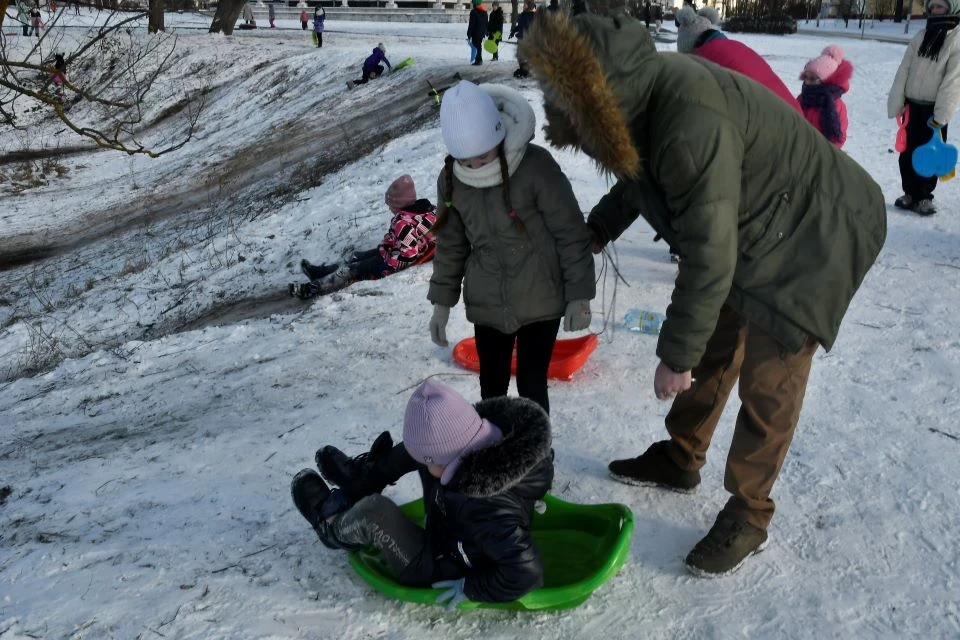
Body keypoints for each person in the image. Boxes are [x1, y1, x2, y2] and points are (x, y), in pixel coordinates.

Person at [520, 11, 886, 576]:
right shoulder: (645, 99)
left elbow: (709, 252)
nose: (564, 112)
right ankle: (681, 456)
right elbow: (641, 174)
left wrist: (674, 357)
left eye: (568, 101)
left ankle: (749, 512)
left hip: (818, 232)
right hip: (763, 218)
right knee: (719, 338)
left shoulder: (688, 119)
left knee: (770, 376)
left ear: (598, 90)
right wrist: (599, 228)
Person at [292, 379, 554, 609]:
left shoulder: (485, 510)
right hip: (451, 521)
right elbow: (431, 452)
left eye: (433, 463)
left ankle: (332, 529)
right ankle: (362, 479)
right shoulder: (485, 442)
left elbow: (526, 573)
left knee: (375, 511)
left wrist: (471, 588)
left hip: (436, 563)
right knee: (425, 443)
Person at [427, 81, 596, 414]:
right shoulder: (450, 179)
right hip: (488, 300)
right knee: (492, 385)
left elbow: (570, 232)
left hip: (541, 296)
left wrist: (579, 294)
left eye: (483, 157)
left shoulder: (534, 166)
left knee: (532, 384)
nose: (475, 167)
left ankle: (538, 459)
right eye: (466, 161)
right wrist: (441, 303)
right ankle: (496, 453)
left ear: (498, 137)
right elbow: (450, 245)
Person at [290, 175, 437, 300]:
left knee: (352, 269)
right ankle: (320, 273)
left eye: (390, 205)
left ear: (398, 204)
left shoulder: (402, 222)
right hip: (395, 250)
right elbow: (410, 237)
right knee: (355, 257)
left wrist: (387, 260)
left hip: (393, 262)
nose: (389, 209)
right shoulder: (426, 211)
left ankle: (313, 288)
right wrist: (387, 245)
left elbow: (409, 255)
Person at [888, 0, 960, 216]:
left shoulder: (955, 39)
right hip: (912, 106)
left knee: (929, 154)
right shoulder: (921, 36)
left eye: (941, 6)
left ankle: (924, 197)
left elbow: (953, 81)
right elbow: (904, 70)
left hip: (933, 111)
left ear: (952, 9)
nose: (935, 10)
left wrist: (942, 114)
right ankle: (909, 192)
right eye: (933, 6)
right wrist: (897, 101)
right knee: (907, 151)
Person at [676, 6, 801, 113]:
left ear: (691, 46)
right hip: (795, 116)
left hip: (778, 126)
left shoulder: (706, 60)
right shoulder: (732, 47)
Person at [798, 45, 852, 149]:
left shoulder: (836, 105)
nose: (808, 82)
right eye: (806, 77)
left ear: (826, 81)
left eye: (813, 79)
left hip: (821, 154)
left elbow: (838, 138)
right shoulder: (802, 98)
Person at [510, 0, 537, 78]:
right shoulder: (522, 14)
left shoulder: (533, 15)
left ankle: (525, 71)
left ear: (528, 5)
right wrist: (513, 31)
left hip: (528, 39)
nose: (523, 5)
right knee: (519, 55)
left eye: (525, 4)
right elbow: (520, 26)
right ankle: (523, 69)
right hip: (521, 37)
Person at [467, 0, 489, 66]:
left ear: (475, 4)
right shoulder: (485, 11)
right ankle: (479, 59)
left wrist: (469, 33)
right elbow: (486, 23)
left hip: (475, 32)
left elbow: (472, 24)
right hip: (482, 32)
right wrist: (486, 31)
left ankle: (478, 60)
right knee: (479, 46)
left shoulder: (473, 12)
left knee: (477, 46)